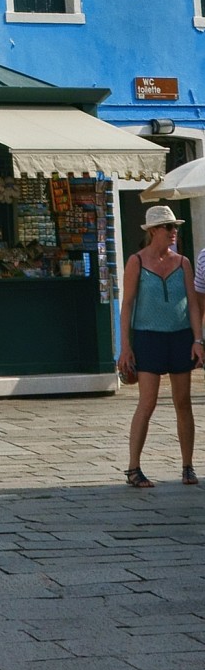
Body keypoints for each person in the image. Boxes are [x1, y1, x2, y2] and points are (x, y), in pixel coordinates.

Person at [120, 204, 204, 488]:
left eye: (175, 228)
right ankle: (133, 467)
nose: (173, 232)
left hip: (179, 336)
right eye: (168, 228)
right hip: (148, 336)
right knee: (148, 402)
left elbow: (193, 304)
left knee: (183, 402)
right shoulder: (137, 262)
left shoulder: (183, 263)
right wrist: (125, 346)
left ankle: (188, 466)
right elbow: (127, 305)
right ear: (153, 231)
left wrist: (197, 339)